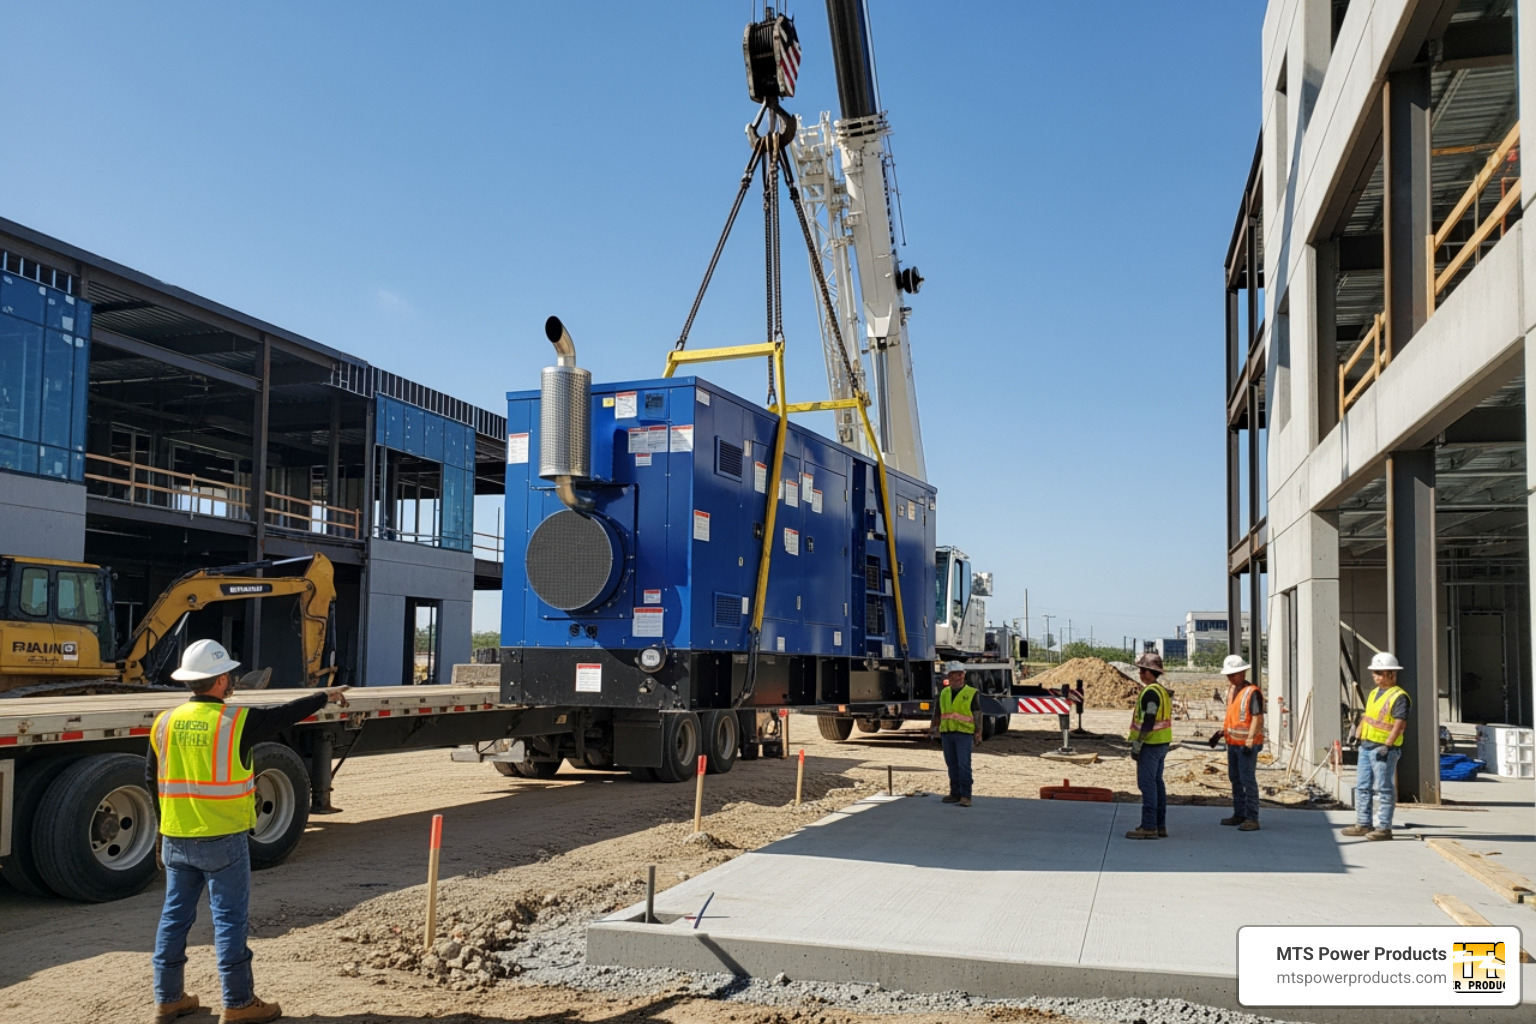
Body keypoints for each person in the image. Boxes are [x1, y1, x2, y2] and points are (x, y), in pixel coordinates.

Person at [149, 639, 349, 1024]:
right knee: (229, 922)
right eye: (230, 676)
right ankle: (239, 1003)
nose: (233, 682)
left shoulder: (164, 722)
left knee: (174, 918)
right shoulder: (236, 722)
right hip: (223, 840)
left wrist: (161, 832)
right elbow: (286, 713)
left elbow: (151, 779)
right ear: (220, 679)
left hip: (176, 837)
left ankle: (168, 998)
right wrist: (325, 694)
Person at [1343, 651, 1409, 841]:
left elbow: (1400, 723)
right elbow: (1369, 715)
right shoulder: (1373, 693)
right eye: (1375, 673)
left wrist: (1388, 744)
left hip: (1383, 748)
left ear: (1392, 674)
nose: (1376, 677)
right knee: (1363, 786)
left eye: (1380, 673)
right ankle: (1363, 823)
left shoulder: (1398, 696)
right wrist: (1359, 730)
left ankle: (1384, 828)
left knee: (1384, 788)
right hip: (1367, 745)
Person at [1208, 654, 1264, 831]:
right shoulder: (1232, 691)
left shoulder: (1252, 692)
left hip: (1246, 745)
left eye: (1233, 674)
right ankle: (1239, 813)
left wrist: (1249, 740)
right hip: (1233, 743)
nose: (1230, 678)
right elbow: (1234, 718)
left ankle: (1252, 818)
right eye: (1229, 675)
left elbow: (1257, 718)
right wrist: (1221, 733)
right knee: (1235, 779)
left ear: (1243, 672)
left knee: (1248, 780)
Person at [1125, 652, 1173, 839]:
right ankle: (1159, 825)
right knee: (1157, 784)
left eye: (1141, 670)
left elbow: (1149, 719)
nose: (1140, 673)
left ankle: (1149, 826)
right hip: (1161, 743)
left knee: (1148, 786)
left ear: (1148, 672)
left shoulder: (1151, 693)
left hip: (1151, 744)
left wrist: (1139, 743)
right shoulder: (1161, 691)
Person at [930, 661, 982, 807]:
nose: (959, 677)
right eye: (956, 674)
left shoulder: (971, 693)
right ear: (950, 676)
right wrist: (933, 726)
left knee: (963, 764)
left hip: (964, 734)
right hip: (947, 733)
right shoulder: (944, 693)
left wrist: (978, 732)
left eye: (961, 674)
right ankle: (955, 793)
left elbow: (977, 713)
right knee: (952, 764)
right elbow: (938, 712)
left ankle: (966, 795)